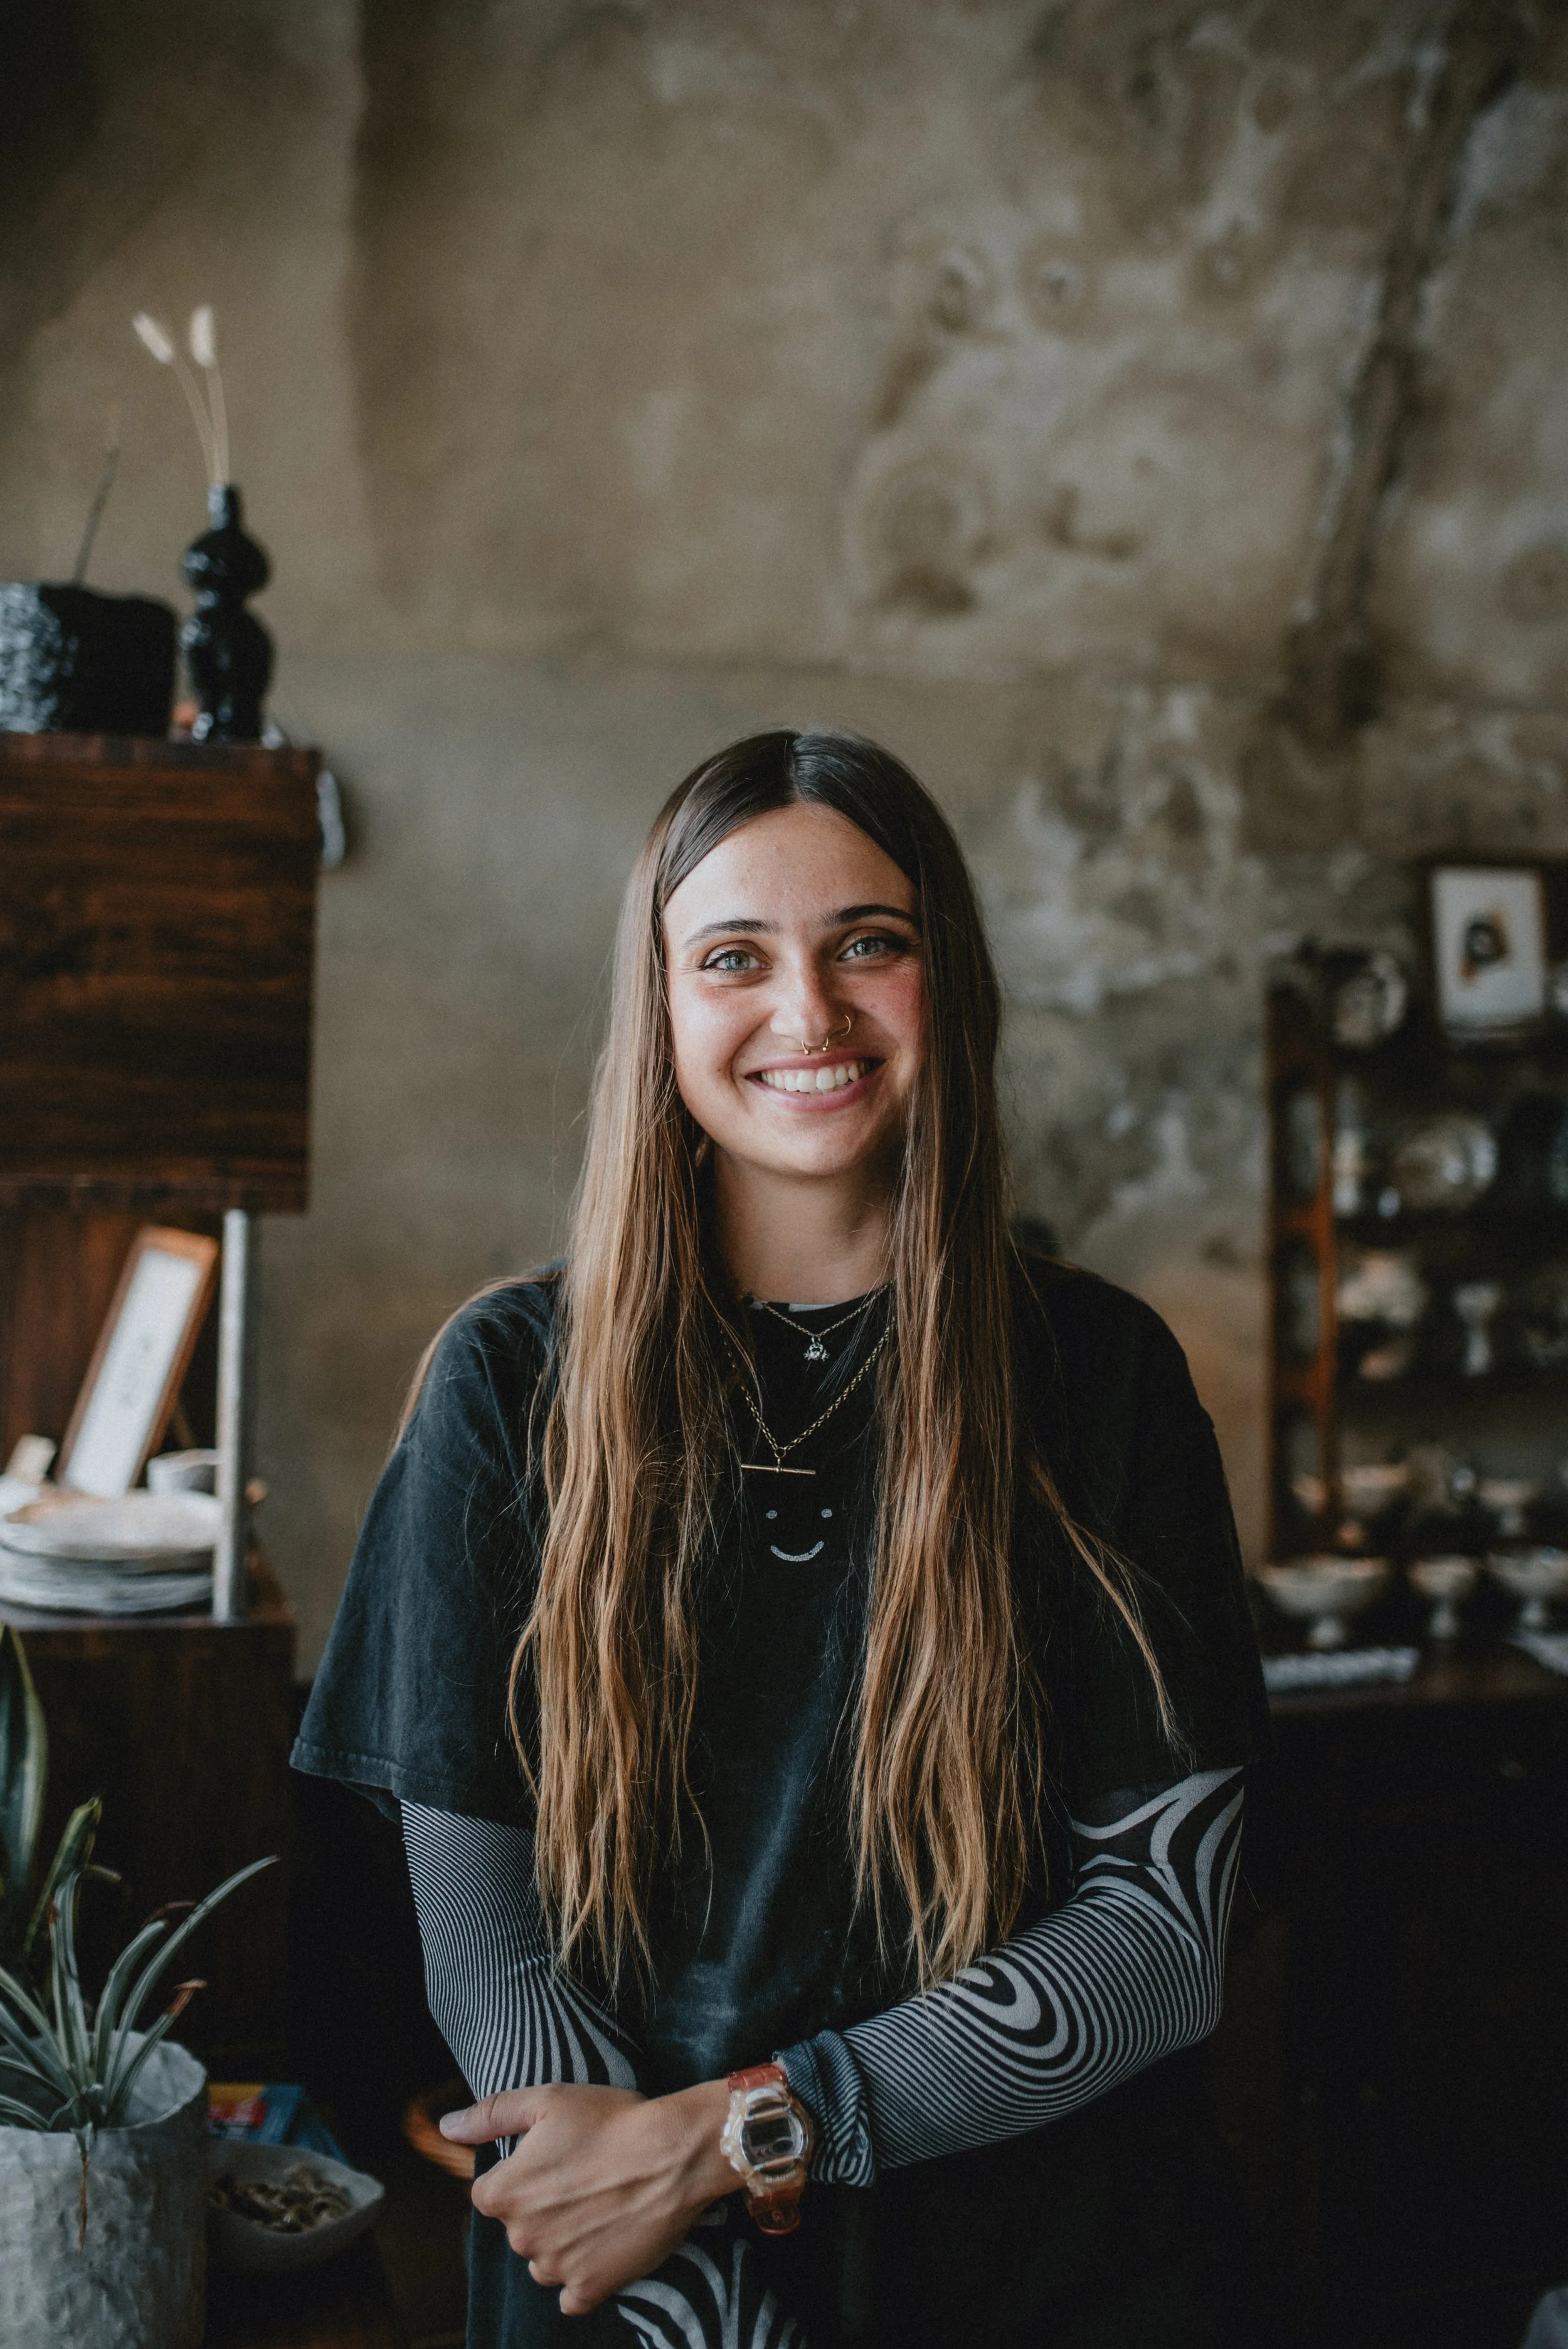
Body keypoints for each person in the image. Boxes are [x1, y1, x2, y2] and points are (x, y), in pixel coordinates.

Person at [294, 729, 1269, 2349]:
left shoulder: (1097, 1379)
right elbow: (484, 1951)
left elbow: (1162, 1943)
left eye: (865, 946)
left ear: (940, 980)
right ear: (662, 1006)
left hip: (1042, 2279)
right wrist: (679, 2278)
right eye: (733, 957)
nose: (805, 1014)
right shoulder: (507, 1383)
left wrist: (735, 2136)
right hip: (622, 2284)